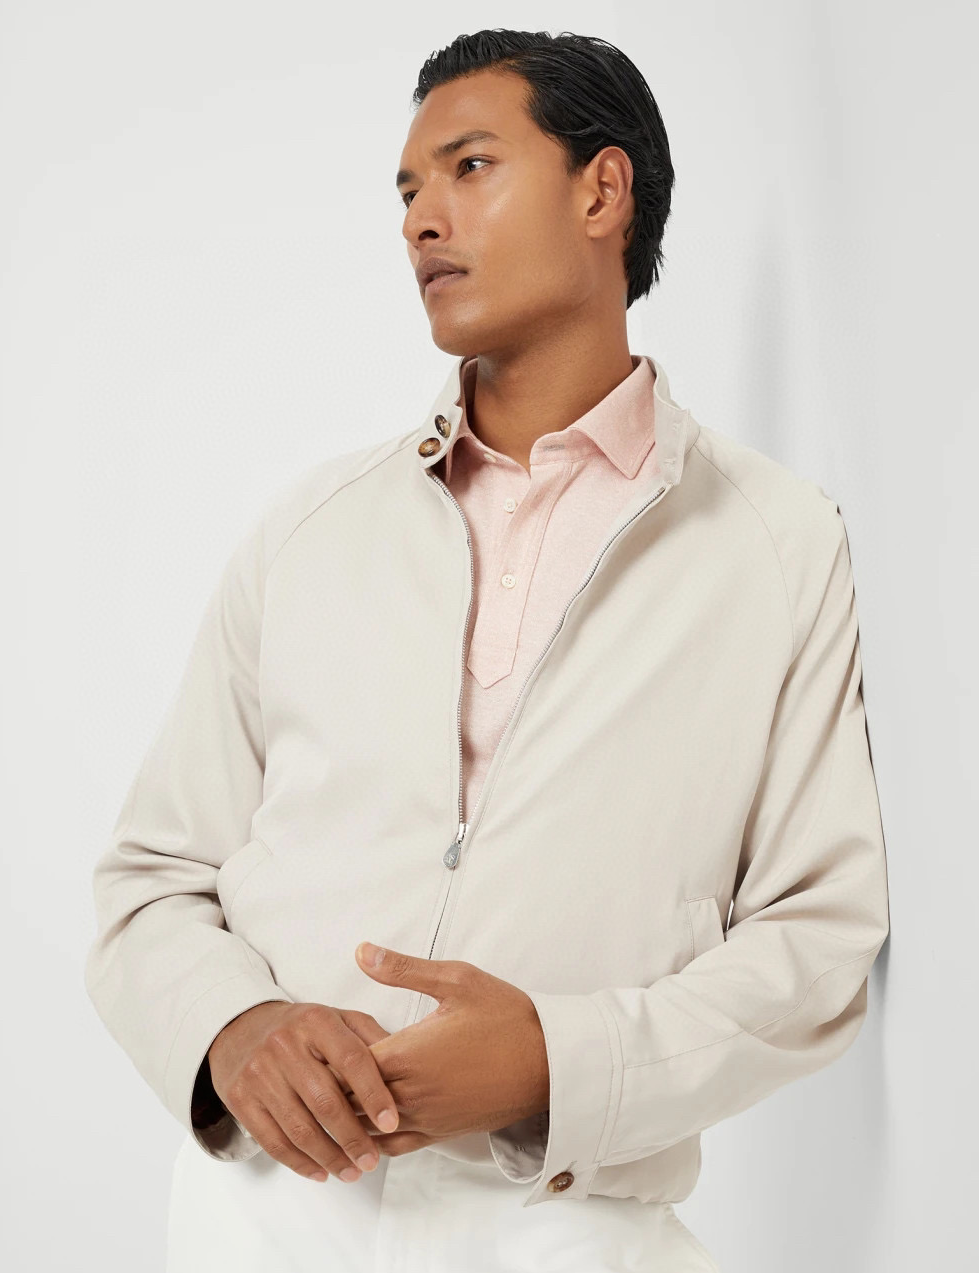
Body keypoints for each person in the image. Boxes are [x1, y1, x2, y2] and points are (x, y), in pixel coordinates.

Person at [84, 28, 891, 1273]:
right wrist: (233, 1026)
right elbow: (150, 876)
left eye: (467, 167)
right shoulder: (309, 531)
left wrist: (556, 1064)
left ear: (601, 191)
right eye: (408, 190)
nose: (421, 220)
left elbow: (820, 937)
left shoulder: (778, 542)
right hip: (266, 1213)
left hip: (566, 1224)